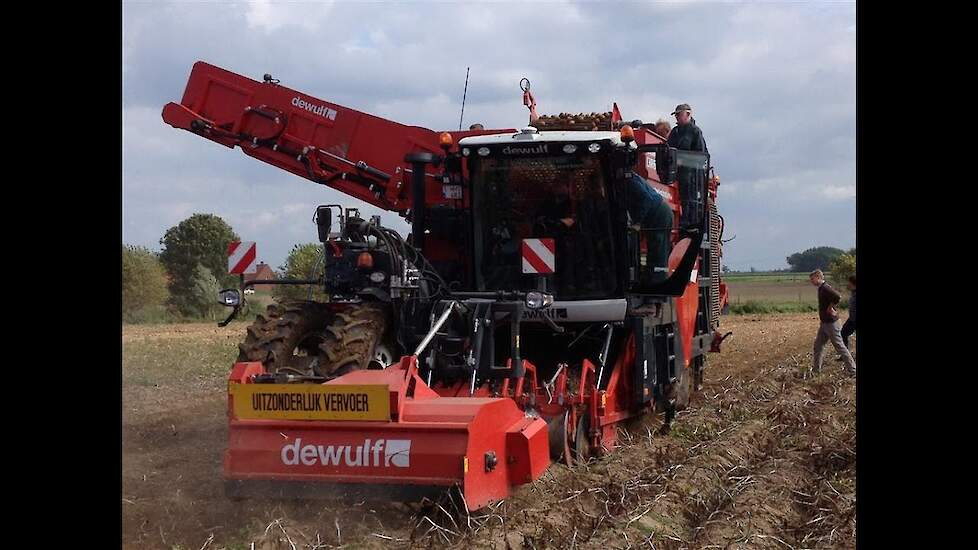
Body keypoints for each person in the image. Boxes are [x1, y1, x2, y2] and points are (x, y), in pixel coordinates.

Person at [623, 173, 673, 284]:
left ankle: (657, 291)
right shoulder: (627, 180)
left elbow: (647, 199)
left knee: (658, 255)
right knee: (653, 253)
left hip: (660, 214)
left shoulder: (629, 181)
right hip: (654, 216)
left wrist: (638, 222)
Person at [666, 104, 708, 229]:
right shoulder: (675, 132)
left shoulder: (695, 131)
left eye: (679, 114)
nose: (677, 118)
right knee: (683, 199)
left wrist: (683, 159)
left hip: (693, 176)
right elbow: (668, 149)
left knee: (691, 201)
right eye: (676, 115)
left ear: (688, 114)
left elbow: (702, 155)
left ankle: (691, 224)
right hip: (678, 175)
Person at [809, 269, 856, 375]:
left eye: (812, 279)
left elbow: (837, 297)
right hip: (824, 323)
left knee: (840, 346)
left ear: (818, 277)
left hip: (831, 323)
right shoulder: (821, 288)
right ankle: (817, 371)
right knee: (818, 345)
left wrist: (830, 308)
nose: (811, 282)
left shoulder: (825, 288)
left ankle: (853, 370)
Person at [838, 275, 856, 359]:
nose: (847, 284)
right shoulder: (853, 292)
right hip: (852, 319)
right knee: (843, 333)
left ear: (852, 283)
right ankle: (845, 355)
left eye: (849, 282)